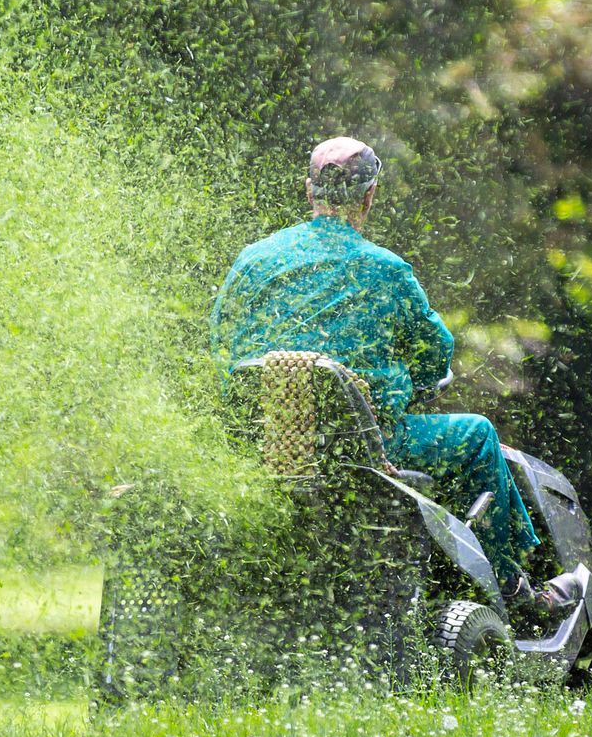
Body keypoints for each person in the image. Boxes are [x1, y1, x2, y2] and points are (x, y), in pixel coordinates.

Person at [210, 135, 556, 610]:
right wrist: (412, 383)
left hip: (261, 447)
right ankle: (512, 586)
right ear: (370, 195)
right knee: (477, 436)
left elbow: (220, 348)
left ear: (309, 192)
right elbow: (436, 352)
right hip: (367, 452)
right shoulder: (388, 271)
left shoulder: (252, 261)